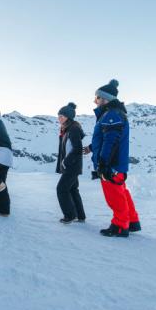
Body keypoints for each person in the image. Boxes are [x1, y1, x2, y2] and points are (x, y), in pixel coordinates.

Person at [83, 79, 141, 237]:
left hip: (112, 164)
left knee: (114, 195)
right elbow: (105, 137)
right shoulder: (113, 113)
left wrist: (103, 163)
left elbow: (111, 141)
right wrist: (91, 148)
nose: (94, 101)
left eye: (96, 98)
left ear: (104, 99)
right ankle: (132, 221)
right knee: (121, 191)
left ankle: (120, 226)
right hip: (116, 163)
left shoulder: (111, 114)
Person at [56, 102, 86, 224]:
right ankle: (80, 216)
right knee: (73, 190)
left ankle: (69, 215)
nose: (59, 118)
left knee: (61, 189)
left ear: (69, 117)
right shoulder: (67, 129)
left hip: (72, 166)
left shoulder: (73, 129)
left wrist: (66, 162)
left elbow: (77, 148)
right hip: (72, 165)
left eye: (62, 116)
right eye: (59, 116)